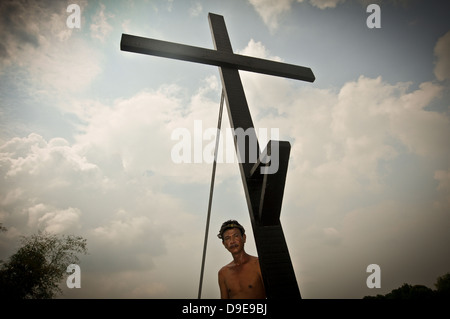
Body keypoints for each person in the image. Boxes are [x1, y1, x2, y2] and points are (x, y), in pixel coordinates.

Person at [217, 220, 266, 299]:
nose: (232, 241)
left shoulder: (258, 264)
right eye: (227, 238)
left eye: (236, 236)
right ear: (224, 244)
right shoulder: (223, 273)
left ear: (244, 238)